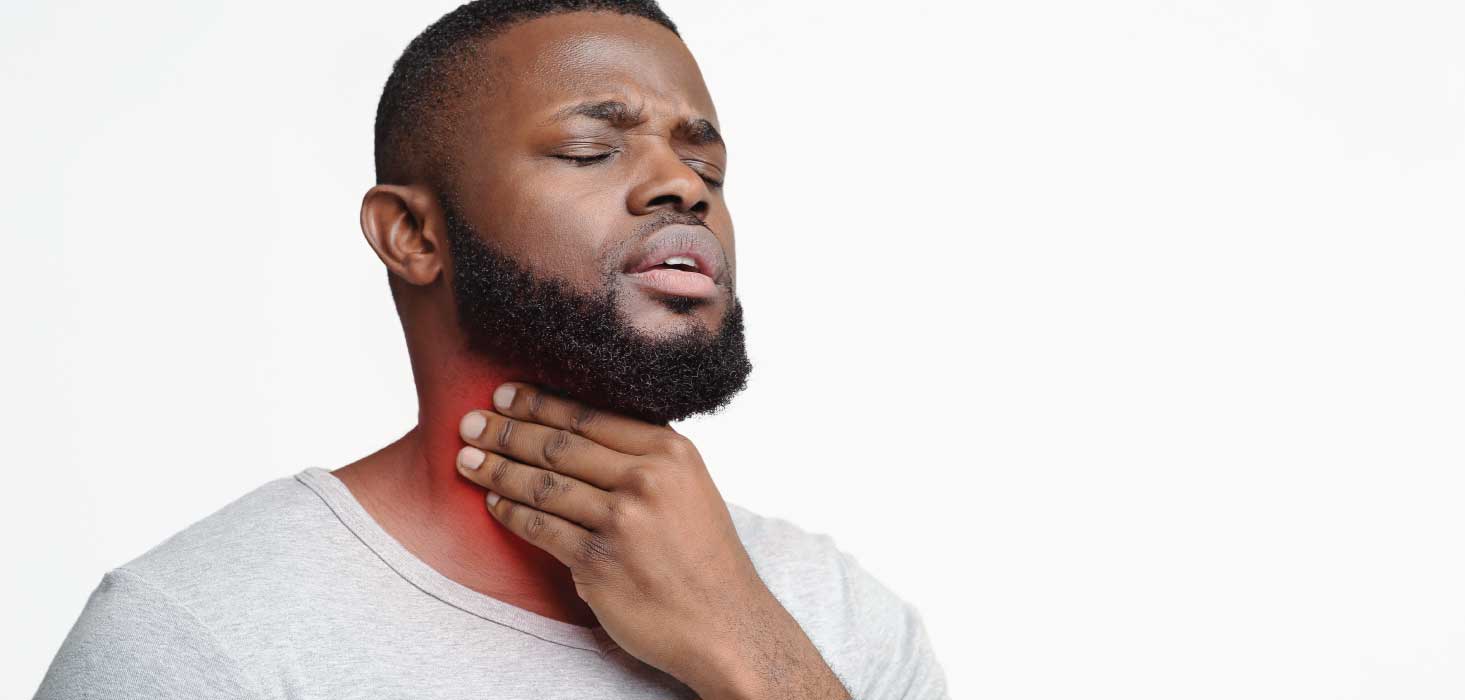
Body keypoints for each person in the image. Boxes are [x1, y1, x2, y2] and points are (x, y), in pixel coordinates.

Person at [34, 2, 950, 698]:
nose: (683, 186)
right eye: (593, 148)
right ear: (413, 237)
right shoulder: (194, 638)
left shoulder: (835, 617)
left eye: (707, 167)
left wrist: (751, 648)